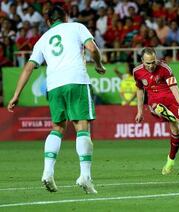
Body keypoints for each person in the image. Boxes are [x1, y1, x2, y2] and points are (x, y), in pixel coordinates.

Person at [7, 6, 106, 194]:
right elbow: (92, 48)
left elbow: (29, 67)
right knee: (82, 127)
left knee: (58, 127)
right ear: (65, 17)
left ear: (48, 22)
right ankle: (85, 176)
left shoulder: (42, 40)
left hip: (53, 85)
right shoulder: (76, 27)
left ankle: (47, 172)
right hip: (76, 80)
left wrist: (16, 94)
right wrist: (99, 65)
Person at [133, 47, 179, 175]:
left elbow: (174, 88)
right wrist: (140, 111)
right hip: (154, 101)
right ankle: (161, 112)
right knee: (156, 108)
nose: (151, 65)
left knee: (176, 129)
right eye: (148, 63)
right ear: (142, 61)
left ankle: (170, 160)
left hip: (171, 100)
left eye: (153, 62)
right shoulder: (137, 72)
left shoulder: (165, 68)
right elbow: (140, 90)